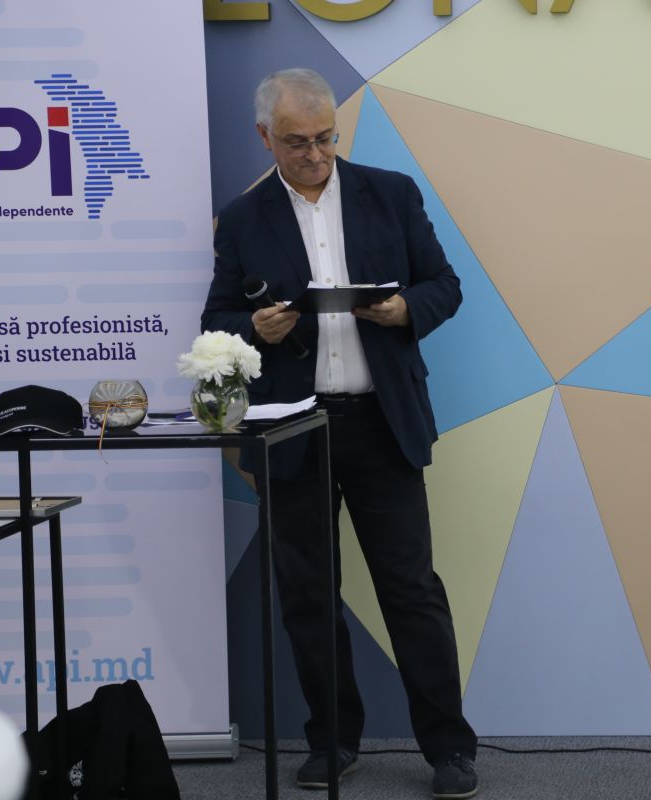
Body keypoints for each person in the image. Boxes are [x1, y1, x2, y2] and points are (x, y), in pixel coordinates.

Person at [201, 68, 478, 799]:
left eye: (326, 138)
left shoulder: (391, 193)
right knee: (308, 595)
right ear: (265, 137)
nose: (316, 155)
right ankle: (332, 741)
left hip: (382, 423)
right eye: (297, 143)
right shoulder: (244, 218)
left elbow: (445, 285)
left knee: (412, 590)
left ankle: (449, 747)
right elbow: (216, 320)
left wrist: (404, 310)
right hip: (292, 429)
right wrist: (253, 328)